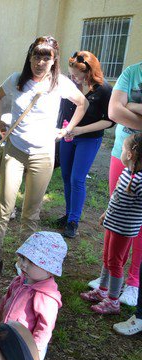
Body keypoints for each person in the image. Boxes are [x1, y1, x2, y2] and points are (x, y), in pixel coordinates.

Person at [0, 36, 88, 242]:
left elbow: (82, 103)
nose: (40, 63)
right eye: (36, 57)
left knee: (31, 213)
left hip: (42, 155)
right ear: (30, 57)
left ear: (54, 61)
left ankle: (25, 258)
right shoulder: (17, 79)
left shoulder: (60, 83)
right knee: (3, 209)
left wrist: (67, 129)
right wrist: (0, 123)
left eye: (46, 58)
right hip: (14, 151)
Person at [87, 61, 142, 307]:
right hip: (124, 153)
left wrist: (131, 105)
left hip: (133, 155)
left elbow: (122, 109)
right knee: (117, 211)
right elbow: (114, 112)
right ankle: (108, 281)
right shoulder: (132, 72)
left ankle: (134, 281)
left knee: (137, 222)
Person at [80, 133, 142, 315]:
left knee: (115, 262)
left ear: (129, 154)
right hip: (112, 224)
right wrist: (106, 213)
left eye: (122, 150)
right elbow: (116, 197)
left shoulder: (139, 180)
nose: (120, 153)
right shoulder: (126, 172)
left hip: (123, 230)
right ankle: (102, 290)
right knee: (107, 258)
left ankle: (113, 301)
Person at [56, 51, 114, 238]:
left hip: (89, 138)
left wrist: (81, 130)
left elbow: (109, 121)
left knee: (77, 179)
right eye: (71, 74)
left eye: (76, 75)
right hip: (68, 137)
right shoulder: (70, 85)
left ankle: (74, 221)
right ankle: (68, 214)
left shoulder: (104, 89)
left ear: (88, 72)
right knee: (66, 176)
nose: (73, 78)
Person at [0, 232, 67, 360]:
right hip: (5, 335)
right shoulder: (19, 281)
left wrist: (32, 352)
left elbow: (44, 330)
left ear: (49, 268)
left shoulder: (46, 297)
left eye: (31, 261)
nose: (23, 264)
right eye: (22, 258)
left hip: (24, 348)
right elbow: (5, 300)